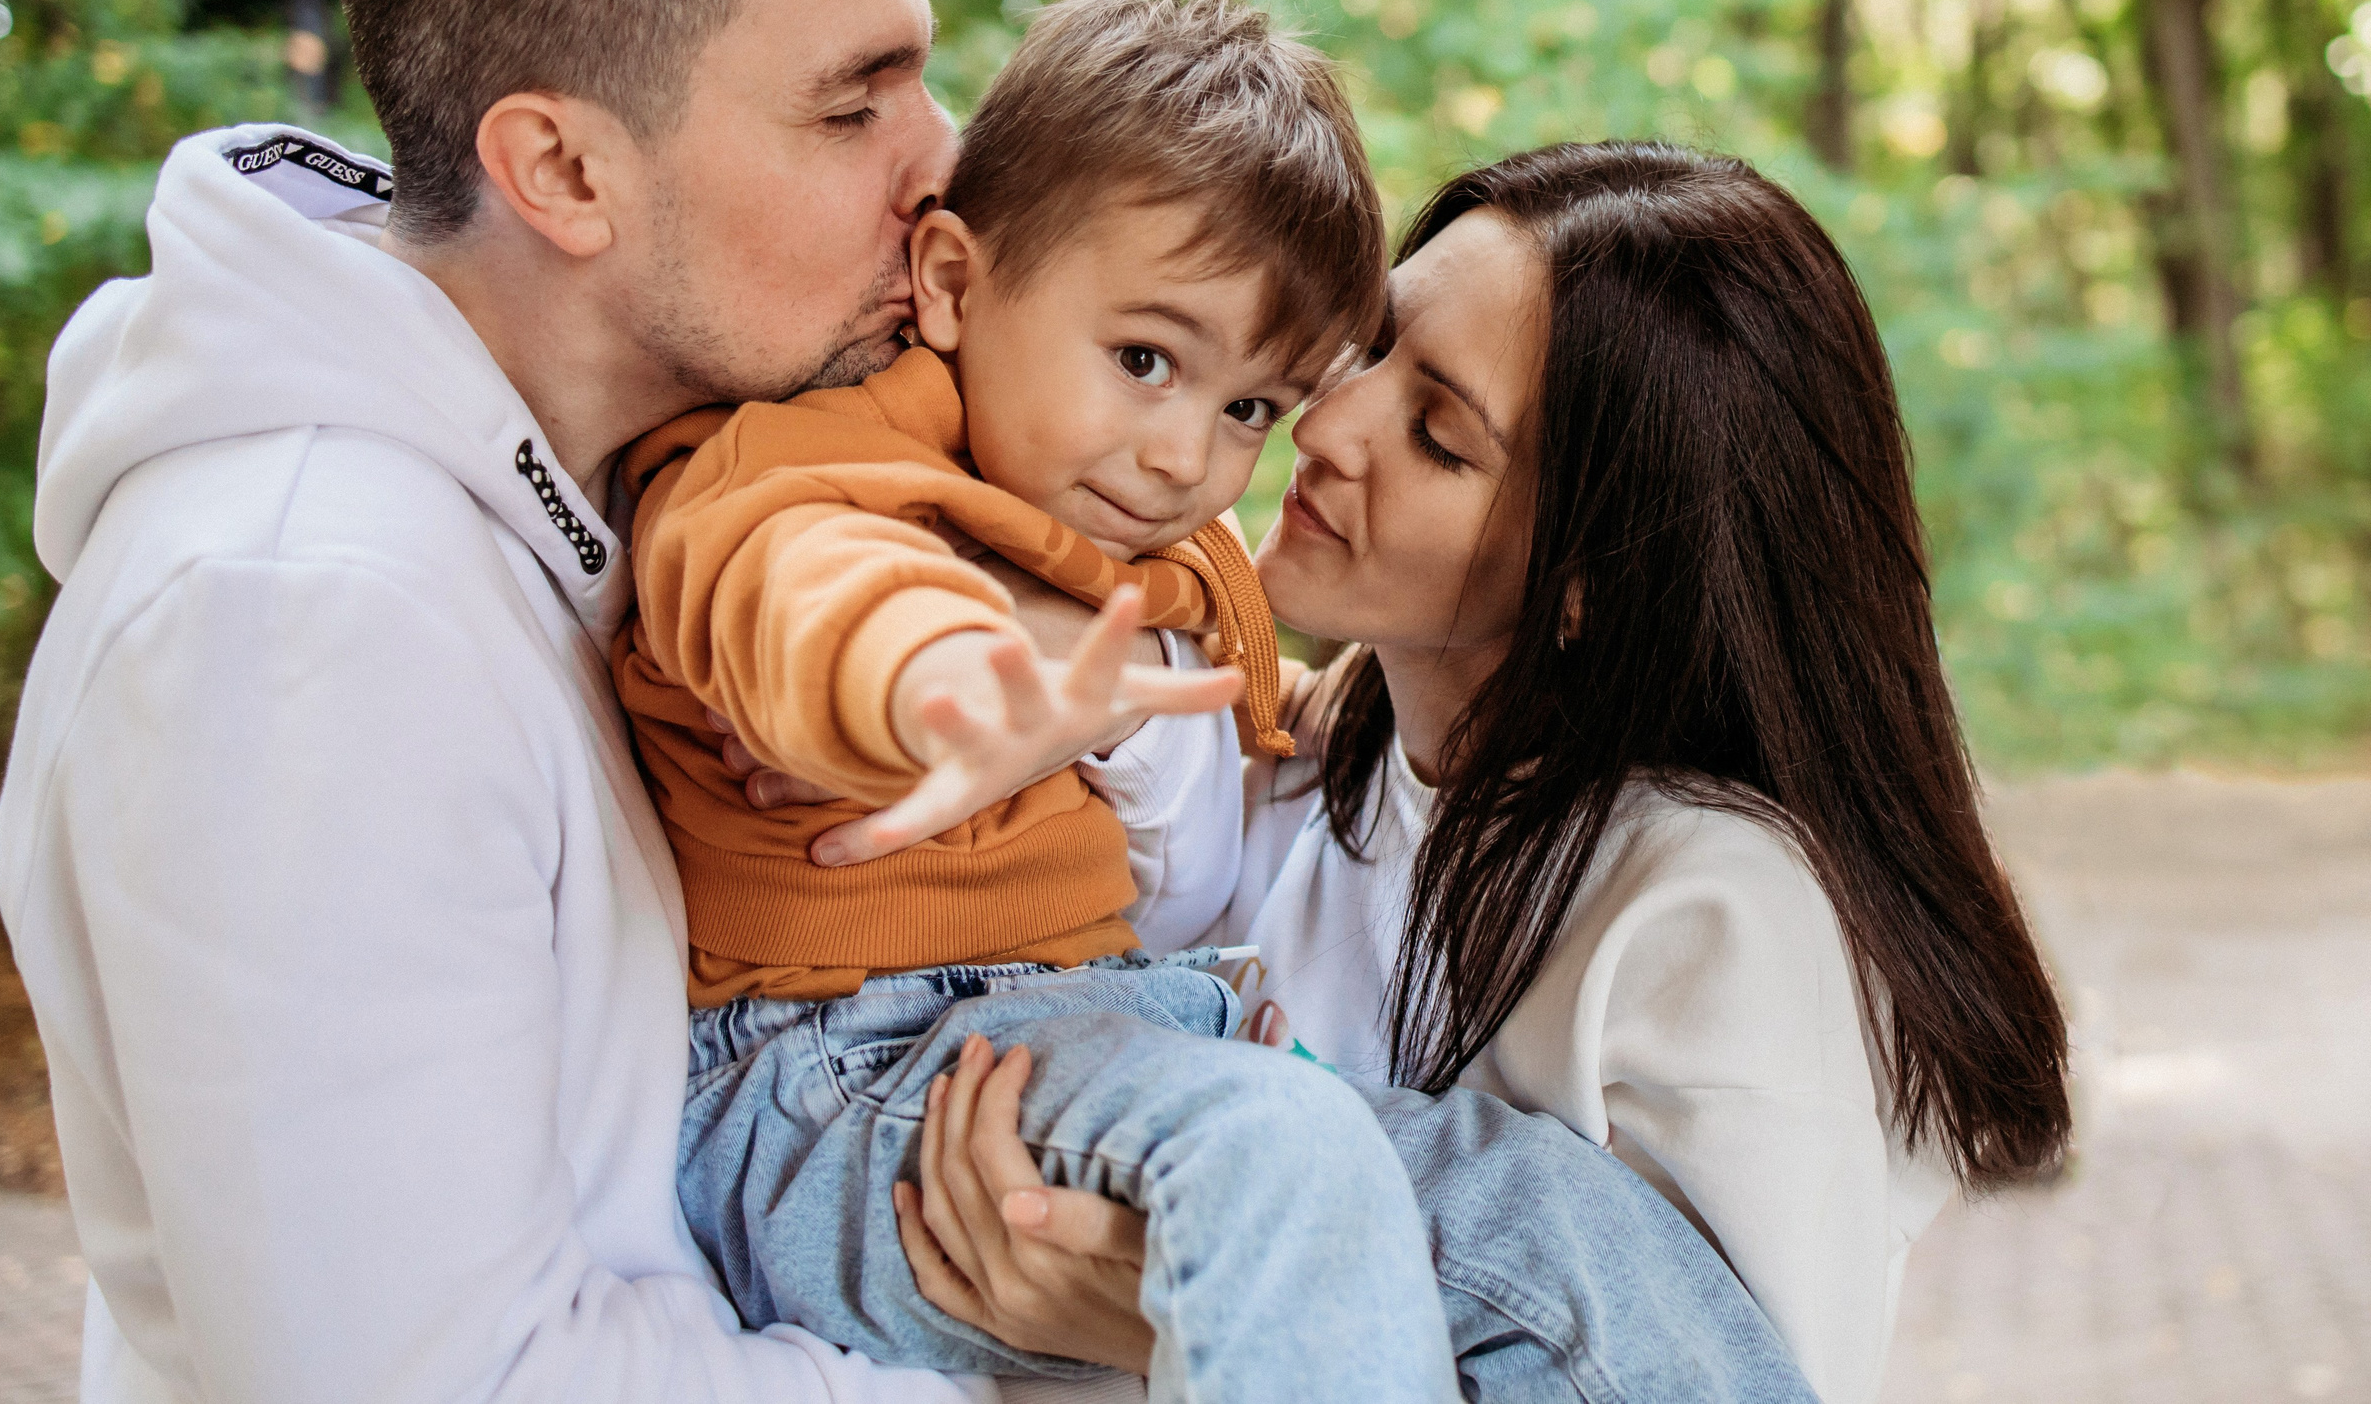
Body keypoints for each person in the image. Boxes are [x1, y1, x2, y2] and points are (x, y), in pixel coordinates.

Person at [0, 0, 1138, 1404]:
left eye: (920, 75)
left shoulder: (588, 517)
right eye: (852, 103)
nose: (941, 164)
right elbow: (431, 1381)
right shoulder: (306, 617)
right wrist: (1016, 1358)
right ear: (565, 172)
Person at [795, 142, 2074, 1404]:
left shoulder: (1714, 917)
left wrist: (1159, 1313)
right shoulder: (1311, 754)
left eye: (1438, 437)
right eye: (1369, 346)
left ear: (1585, 585)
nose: (1329, 422)